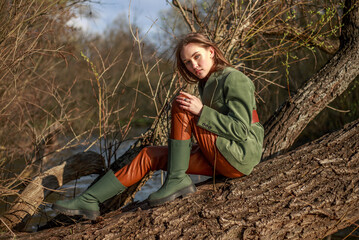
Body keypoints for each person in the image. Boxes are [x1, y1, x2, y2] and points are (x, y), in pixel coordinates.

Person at [52, 32, 264, 220]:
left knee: (183, 104)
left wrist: (201, 111)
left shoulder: (235, 79)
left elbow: (241, 129)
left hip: (239, 157)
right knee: (148, 155)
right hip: (218, 155)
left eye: (196, 56)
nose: (193, 65)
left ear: (211, 52)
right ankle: (89, 200)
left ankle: (176, 179)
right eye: (187, 62)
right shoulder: (206, 83)